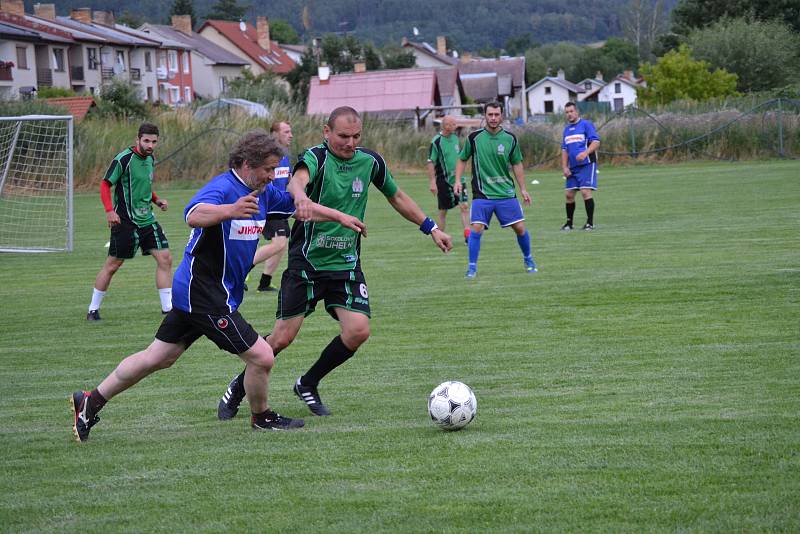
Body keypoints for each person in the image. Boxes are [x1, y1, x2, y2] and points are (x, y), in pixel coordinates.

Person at [70, 131, 366, 441]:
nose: (272, 176)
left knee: (158, 357)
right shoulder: (224, 188)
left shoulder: (263, 193)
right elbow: (193, 215)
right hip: (205, 294)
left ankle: (90, 400)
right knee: (262, 356)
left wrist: (340, 216)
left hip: (199, 291)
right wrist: (230, 210)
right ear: (246, 164)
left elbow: (299, 205)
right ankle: (262, 416)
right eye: (267, 169)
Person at [216, 106, 453, 419]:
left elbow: (396, 196)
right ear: (326, 132)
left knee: (358, 331)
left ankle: (308, 383)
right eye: (343, 136)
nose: (350, 142)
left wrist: (431, 228)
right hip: (307, 264)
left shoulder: (370, 162)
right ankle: (238, 385)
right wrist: (299, 195)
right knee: (282, 338)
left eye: (356, 136)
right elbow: (297, 181)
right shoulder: (316, 158)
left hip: (345, 264)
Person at [86, 123, 173, 321]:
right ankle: (93, 309)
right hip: (125, 221)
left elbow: (142, 186)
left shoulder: (150, 159)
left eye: (154, 141)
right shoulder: (123, 159)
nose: (150, 145)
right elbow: (105, 184)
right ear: (138, 140)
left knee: (165, 258)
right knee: (113, 265)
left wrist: (156, 200)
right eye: (146, 141)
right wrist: (109, 211)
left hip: (147, 220)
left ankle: (168, 309)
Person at [454, 101, 536, 279]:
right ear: (485, 115)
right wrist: (458, 181)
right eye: (490, 115)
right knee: (476, 228)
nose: (493, 118)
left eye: (496, 115)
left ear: (502, 116)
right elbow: (462, 159)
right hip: (482, 194)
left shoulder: (510, 139)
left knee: (520, 228)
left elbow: (517, 164)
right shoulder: (474, 138)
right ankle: (472, 268)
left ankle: (529, 259)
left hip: (505, 193)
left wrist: (523, 189)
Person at [253, 121, 294, 292]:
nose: (290, 135)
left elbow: (290, 180)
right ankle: (241, 269)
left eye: (290, 132)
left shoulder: (284, 157)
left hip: (281, 208)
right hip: (270, 207)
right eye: (286, 132)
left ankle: (265, 282)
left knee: (281, 245)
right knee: (278, 243)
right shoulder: (266, 156)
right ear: (274, 134)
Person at [427, 115, 470, 244]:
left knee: (464, 206)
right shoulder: (436, 141)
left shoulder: (455, 138)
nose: (455, 126)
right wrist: (432, 182)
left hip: (459, 179)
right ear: (446, 126)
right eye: (453, 124)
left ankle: (468, 236)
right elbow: (430, 162)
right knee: (443, 211)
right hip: (444, 181)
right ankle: (440, 238)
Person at [561, 102, 600, 231]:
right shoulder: (566, 130)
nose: (569, 114)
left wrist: (585, 153)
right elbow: (564, 150)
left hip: (587, 164)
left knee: (585, 191)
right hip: (573, 167)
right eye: (567, 112)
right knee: (569, 194)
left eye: (571, 111)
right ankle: (569, 223)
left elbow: (596, 142)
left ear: (577, 111)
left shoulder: (586, 125)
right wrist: (564, 167)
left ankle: (590, 223)